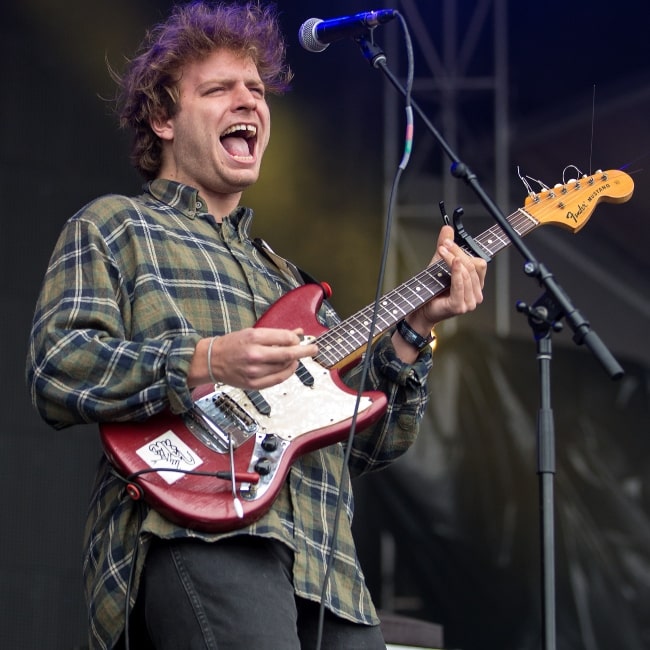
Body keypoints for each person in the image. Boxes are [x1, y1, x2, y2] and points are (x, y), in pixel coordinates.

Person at [26, 2, 487, 648]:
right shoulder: (115, 228)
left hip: (329, 570)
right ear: (162, 118)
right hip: (197, 528)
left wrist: (414, 332)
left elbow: (370, 445)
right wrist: (208, 360)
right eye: (218, 89)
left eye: (257, 90)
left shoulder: (292, 283)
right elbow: (57, 368)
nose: (249, 101)